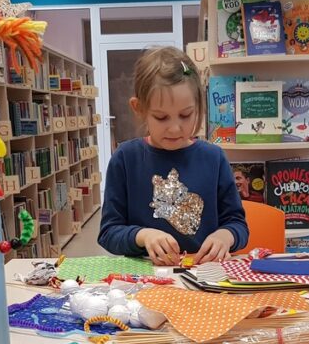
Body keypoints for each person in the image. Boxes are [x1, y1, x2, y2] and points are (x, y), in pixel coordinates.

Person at [99, 46, 248, 265]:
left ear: (199, 106)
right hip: (147, 281)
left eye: (186, 115)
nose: (175, 128)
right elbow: (109, 233)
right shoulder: (125, 158)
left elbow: (238, 224)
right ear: (139, 108)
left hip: (204, 277)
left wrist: (225, 236)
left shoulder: (214, 158)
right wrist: (143, 236)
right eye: (161, 117)